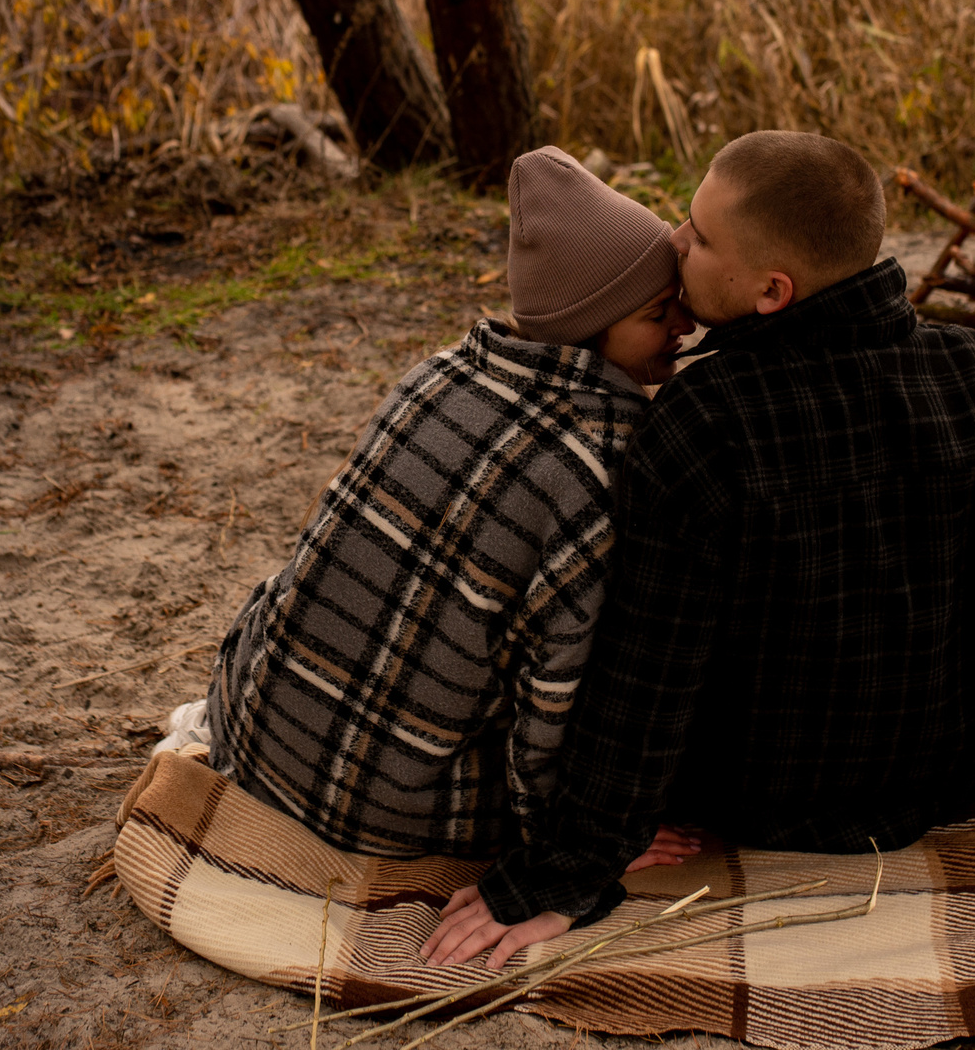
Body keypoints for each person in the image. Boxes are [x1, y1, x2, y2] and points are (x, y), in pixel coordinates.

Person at [422, 130, 975, 970]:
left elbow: (647, 686)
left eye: (698, 235)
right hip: (951, 780)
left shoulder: (703, 423)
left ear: (772, 292)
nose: (673, 241)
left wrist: (564, 871)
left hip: (750, 802)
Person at [200, 147, 699, 867]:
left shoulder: (436, 372)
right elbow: (557, 687)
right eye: (658, 312)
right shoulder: (603, 459)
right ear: (589, 326)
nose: (684, 322)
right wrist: (583, 834)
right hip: (381, 810)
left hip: (259, 729)